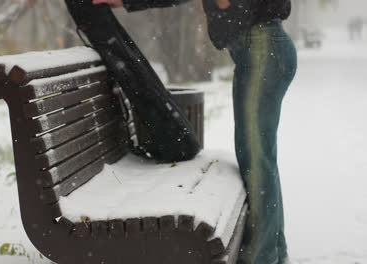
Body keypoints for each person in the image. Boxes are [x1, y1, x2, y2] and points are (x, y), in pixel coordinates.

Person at [92, 0, 297, 263]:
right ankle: (272, 252)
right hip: (259, 51)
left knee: (257, 158)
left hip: (263, 50)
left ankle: (263, 257)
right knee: (258, 157)